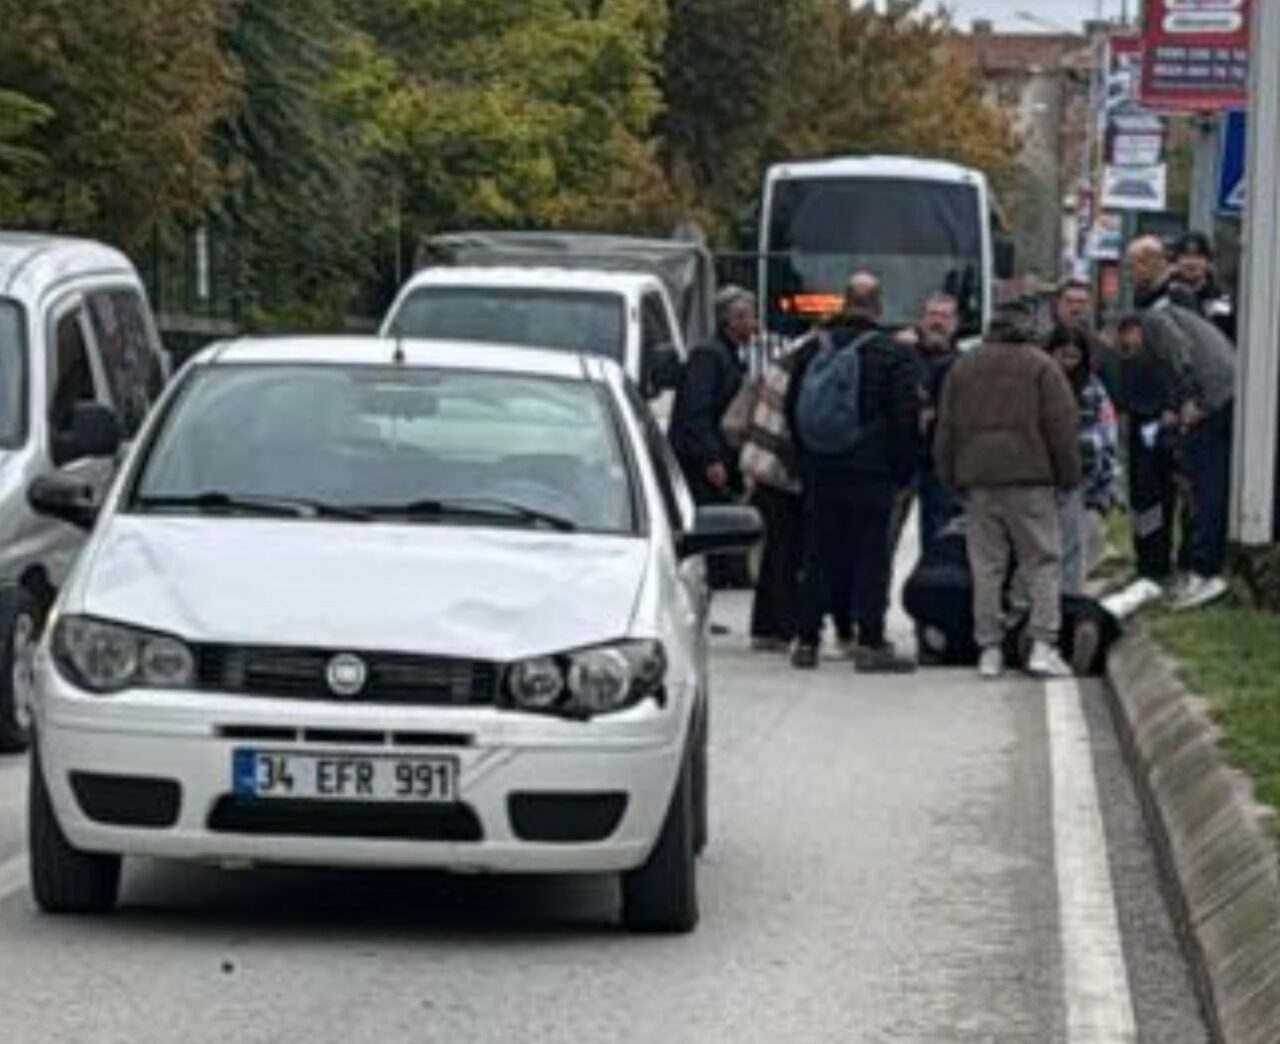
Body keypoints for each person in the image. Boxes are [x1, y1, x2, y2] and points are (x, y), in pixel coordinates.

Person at [787, 272, 921, 672]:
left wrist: (808, 460)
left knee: (819, 555)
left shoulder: (813, 350)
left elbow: (793, 410)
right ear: (878, 306)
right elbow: (904, 419)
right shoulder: (892, 355)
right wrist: (902, 472)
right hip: (872, 473)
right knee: (870, 558)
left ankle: (807, 639)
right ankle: (869, 638)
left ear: (843, 302)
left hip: (823, 471)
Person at [934, 319, 1082, 679]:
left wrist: (950, 476)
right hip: (1030, 478)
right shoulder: (1041, 366)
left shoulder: (964, 366)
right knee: (1042, 561)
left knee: (986, 566)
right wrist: (1068, 477)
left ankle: (989, 647)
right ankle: (1043, 643)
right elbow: (1061, 425)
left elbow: (947, 426)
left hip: (980, 481)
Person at [1115, 309, 1235, 610]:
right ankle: (1195, 566)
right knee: (1200, 487)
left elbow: (1180, 356)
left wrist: (1194, 402)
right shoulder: (1175, 321)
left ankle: (1205, 570)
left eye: (1128, 344)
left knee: (1207, 488)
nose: (1131, 351)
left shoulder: (1155, 322)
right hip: (1218, 392)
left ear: (1133, 328)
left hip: (1215, 397)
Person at [904, 514, 1122, 675]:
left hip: (919, 589)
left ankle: (938, 646)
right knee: (1039, 571)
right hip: (965, 589)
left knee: (959, 641)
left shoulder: (956, 527)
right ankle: (1052, 634)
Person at [669, 285, 755, 588]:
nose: (750, 324)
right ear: (726, 321)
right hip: (700, 459)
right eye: (742, 317)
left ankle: (726, 576)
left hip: (715, 455)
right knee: (707, 522)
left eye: (750, 316)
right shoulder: (708, 355)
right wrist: (710, 458)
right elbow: (696, 410)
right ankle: (712, 581)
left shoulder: (729, 355)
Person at [740, 337, 808, 653]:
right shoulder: (808, 358)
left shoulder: (787, 354)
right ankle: (783, 625)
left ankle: (766, 627)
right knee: (788, 550)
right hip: (784, 466)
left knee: (774, 550)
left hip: (763, 459)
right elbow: (794, 417)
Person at [1043, 326, 1120, 595]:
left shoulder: (1092, 391)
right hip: (1040, 487)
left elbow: (1106, 440)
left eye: (1073, 357)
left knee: (1073, 557)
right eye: (1061, 355)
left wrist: (1104, 489)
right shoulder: (1036, 385)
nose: (1066, 364)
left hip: (1082, 487)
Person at [896, 293, 963, 554]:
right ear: (921, 320)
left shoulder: (963, 366)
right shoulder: (900, 357)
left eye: (945, 316)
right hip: (901, 459)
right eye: (933, 315)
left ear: (955, 323)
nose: (938, 322)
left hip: (940, 465)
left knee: (938, 538)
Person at [1171, 231, 1235, 342]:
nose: (1191, 262)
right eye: (1185, 256)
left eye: (1197, 256)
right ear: (1176, 262)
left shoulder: (1220, 300)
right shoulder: (1166, 295)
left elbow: (1222, 337)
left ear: (1208, 263)